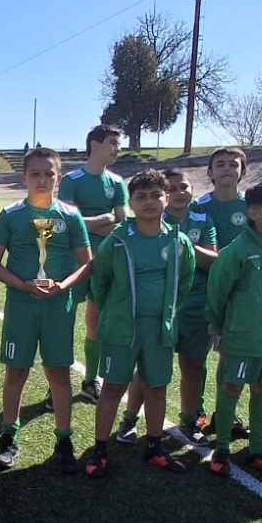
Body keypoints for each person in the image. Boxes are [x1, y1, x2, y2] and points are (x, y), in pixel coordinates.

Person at [0, 147, 92, 472]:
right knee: (16, 372)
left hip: (58, 307)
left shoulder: (70, 216)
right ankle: (8, 438)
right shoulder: (11, 215)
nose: (42, 179)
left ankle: (64, 441)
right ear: (24, 177)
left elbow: (86, 264)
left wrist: (62, 286)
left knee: (58, 373)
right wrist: (22, 285)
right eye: (35, 173)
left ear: (59, 178)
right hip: (21, 307)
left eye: (49, 174)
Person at [82, 169, 195, 479]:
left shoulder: (178, 241)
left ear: (167, 198)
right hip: (122, 329)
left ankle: (155, 446)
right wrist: (116, 311)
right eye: (141, 196)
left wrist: (167, 312)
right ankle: (100, 449)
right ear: (131, 203)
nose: (149, 202)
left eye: (156, 195)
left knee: (156, 387)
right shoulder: (118, 240)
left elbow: (185, 281)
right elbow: (100, 281)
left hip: (159, 330)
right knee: (113, 387)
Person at [204, 182, 262, 477]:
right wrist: (218, 328)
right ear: (253, 212)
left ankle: (257, 449)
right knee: (232, 387)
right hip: (241, 338)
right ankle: (222, 448)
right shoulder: (237, 251)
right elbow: (218, 292)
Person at [114, 166, 213, 443]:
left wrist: (183, 245)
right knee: (146, 370)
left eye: (184, 187)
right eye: (172, 188)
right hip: (156, 311)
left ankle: (190, 419)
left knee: (193, 365)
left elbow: (212, 260)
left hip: (192, 306)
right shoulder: (149, 221)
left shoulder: (202, 220)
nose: (179, 192)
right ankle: (129, 419)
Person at [180, 147, 248, 440]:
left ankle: (226, 413)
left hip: (242, 292)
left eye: (233, 164)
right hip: (203, 293)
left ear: (242, 171)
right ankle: (195, 411)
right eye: (220, 164)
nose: (227, 169)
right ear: (210, 172)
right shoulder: (198, 207)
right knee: (197, 357)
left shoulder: (252, 205)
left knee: (231, 355)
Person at [57, 123, 127, 405]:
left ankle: (90, 381)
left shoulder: (117, 182)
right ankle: (56, 382)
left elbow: (122, 222)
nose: (117, 148)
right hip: (72, 261)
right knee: (64, 320)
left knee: (96, 322)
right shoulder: (72, 180)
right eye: (113, 142)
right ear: (95, 144)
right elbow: (65, 221)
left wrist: (89, 222)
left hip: (105, 261)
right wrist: (103, 219)